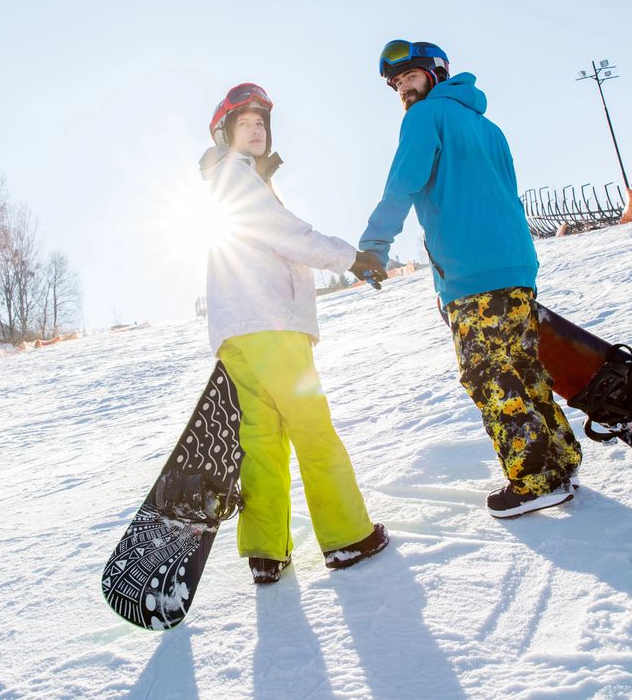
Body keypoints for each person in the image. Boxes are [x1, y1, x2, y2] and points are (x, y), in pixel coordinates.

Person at [358, 41, 582, 519]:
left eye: (409, 76)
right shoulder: (487, 125)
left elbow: (404, 183)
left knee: (488, 372)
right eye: (396, 84)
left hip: (471, 272)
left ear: (436, 72)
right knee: (521, 366)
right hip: (516, 266)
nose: (402, 87)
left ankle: (536, 477)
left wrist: (374, 246)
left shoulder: (424, 118)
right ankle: (560, 460)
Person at [200, 82, 388, 583]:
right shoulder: (238, 180)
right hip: (272, 326)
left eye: (262, 123)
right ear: (226, 132)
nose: (258, 129)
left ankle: (266, 550)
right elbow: (289, 236)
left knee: (261, 440)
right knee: (310, 427)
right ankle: (348, 537)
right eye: (247, 123)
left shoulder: (224, 181)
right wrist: (353, 257)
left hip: (236, 335)